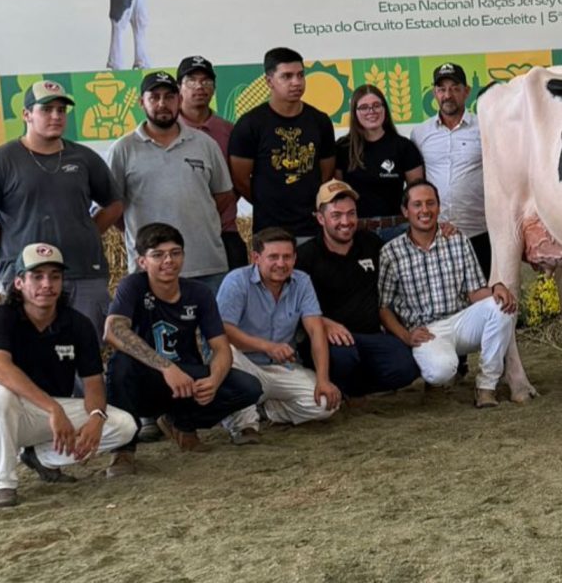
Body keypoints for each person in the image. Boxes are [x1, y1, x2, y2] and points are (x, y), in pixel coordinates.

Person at [0, 243, 137, 510]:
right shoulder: (1, 316)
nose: (47, 284)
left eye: (55, 276)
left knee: (124, 426)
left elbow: (93, 381)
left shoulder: (77, 323)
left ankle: (40, 456)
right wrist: (53, 408)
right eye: (37, 276)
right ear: (19, 283)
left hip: (47, 416)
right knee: (1, 394)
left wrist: (96, 417)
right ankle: (2, 484)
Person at [0, 79, 123, 333]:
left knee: (86, 347)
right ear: (26, 115)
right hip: (27, 275)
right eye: (46, 109)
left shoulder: (84, 157)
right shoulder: (2, 160)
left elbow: (114, 204)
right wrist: (12, 246)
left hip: (82, 272)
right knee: (29, 349)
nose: (56, 116)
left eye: (61, 110)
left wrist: (88, 232)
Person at [103, 223, 264, 469]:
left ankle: (182, 424)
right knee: (119, 364)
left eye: (175, 253)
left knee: (248, 387)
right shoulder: (133, 286)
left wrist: (214, 381)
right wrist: (167, 367)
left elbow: (221, 347)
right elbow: (113, 330)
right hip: (147, 379)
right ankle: (123, 450)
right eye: (158, 255)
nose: (168, 260)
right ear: (142, 262)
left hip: (187, 380)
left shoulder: (199, 292)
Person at [378, 179, 517, 408]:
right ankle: (436, 382)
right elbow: (383, 308)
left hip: (461, 321)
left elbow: (475, 292)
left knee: (502, 306)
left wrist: (497, 289)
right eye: (417, 204)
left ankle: (486, 386)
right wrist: (406, 336)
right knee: (442, 370)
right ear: (405, 211)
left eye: (430, 203)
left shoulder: (456, 240)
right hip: (427, 332)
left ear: (439, 207)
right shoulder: (391, 253)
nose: (425, 210)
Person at [108, 70, 236, 295]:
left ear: (179, 99)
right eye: (154, 97)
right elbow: (113, 208)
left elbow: (223, 196)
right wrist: (139, 233)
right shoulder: (123, 149)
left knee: (212, 319)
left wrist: (198, 217)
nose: (162, 104)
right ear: (141, 102)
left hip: (206, 264)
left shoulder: (205, 144)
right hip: (150, 269)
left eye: (169, 97)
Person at [297, 179, 422, 399]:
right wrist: (323, 323)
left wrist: (442, 230)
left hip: (371, 336)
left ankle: (356, 391)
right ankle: (338, 387)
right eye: (336, 215)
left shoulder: (371, 244)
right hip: (329, 340)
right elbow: (293, 306)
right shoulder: (305, 256)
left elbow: (409, 248)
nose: (345, 222)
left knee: (407, 367)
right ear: (320, 218)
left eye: (351, 214)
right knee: (344, 359)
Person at [216, 228, 342, 439]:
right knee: (225, 352)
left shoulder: (302, 281)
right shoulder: (237, 280)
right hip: (245, 364)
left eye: (287, 257)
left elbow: (315, 329)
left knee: (324, 405)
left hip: (282, 367)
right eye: (273, 257)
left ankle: (265, 411)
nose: (281, 264)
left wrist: (323, 379)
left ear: (295, 258)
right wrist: (268, 346)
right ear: (256, 258)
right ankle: (244, 426)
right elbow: (222, 330)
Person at [228, 46, 336, 243]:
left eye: (300, 75)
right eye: (286, 76)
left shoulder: (320, 121)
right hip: (269, 231)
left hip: (313, 228)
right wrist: (268, 203)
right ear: (269, 81)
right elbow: (240, 179)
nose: (296, 82)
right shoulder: (250, 124)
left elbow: (327, 172)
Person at [411, 62, 490, 277]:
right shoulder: (420, 133)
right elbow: (417, 183)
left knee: (484, 294)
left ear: (467, 91)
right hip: (436, 234)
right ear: (434, 93)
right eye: (442, 89)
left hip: (479, 231)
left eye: (455, 88)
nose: (448, 95)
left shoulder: (485, 127)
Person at [176, 54, 247, 269]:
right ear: (179, 88)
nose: (200, 87)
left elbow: (238, 180)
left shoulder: (229, 131)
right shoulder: (166, 131)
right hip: (177, 234)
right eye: (191, 81)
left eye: (206, 81)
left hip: (223, 231)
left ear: (214, 88)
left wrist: (211, 211)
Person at [335, 84, 424, 239]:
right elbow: (337, 194)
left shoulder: (404, 147)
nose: (371, 111)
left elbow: (418, 193)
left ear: (385, 109)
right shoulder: (342, 148)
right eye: (364, 107)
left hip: (397, 229)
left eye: (376, 105)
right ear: (355, 112)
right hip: (356, 232)